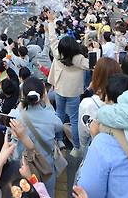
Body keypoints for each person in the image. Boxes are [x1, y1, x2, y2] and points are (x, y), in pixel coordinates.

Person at [9, 77, 64, 196]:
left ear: (23, 95)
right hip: (46, 163)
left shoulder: (16, 116)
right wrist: (48, 103)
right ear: (43, 94)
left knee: (27, 192)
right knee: (48, 192)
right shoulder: (50, 116)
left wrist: (21, 103)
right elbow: (60, 126)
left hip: (24, 165)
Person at [45, 11, 88, 157]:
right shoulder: (79, 59)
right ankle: (76, 148)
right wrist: (94, 48)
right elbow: (93, 64)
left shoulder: (58, 53)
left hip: (59, 89)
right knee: (75, 119)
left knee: (59, 115)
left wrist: (50, 22)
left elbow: (52, 39)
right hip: (73, 92)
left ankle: (59, 140)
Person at [78, 58, 122, 150]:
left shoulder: (88, 104)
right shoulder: (125, 100)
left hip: (97, 148)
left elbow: (83, 134)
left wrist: (83, 148)